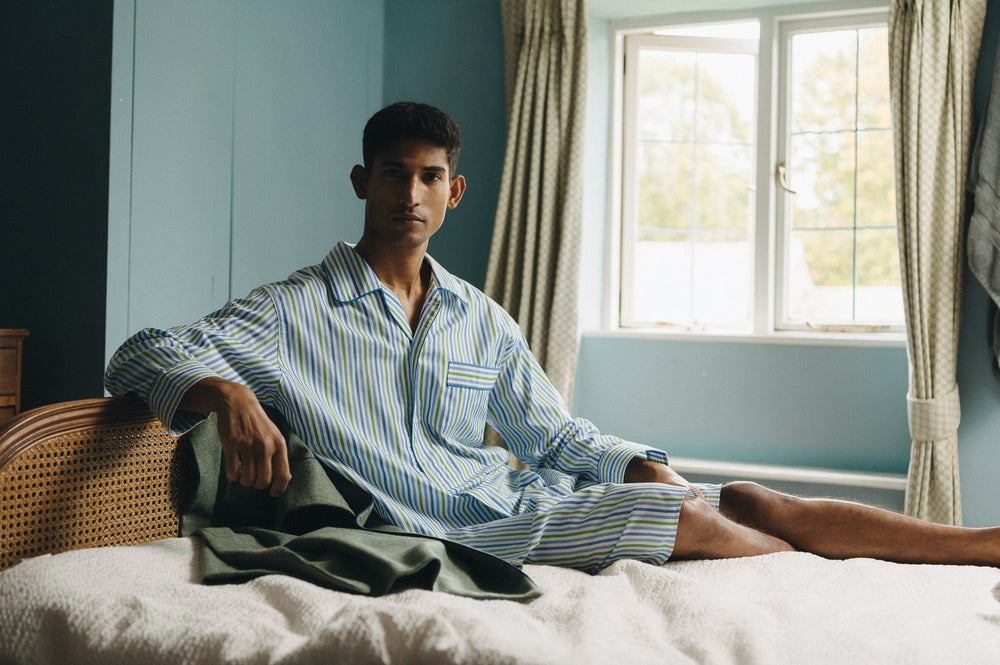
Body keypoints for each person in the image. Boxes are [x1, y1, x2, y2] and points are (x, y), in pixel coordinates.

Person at [105, 101, 1000, 572]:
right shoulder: (296, 308)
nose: (407, 196)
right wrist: (225, 393)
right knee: (698, 516)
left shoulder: (479, 315)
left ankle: (977, 546)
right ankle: (849, 576)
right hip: (455, 531)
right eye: (391, 175)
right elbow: (139, 350)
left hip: (527, 495)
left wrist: (631, 458)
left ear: (454, 193)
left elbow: (554, 433)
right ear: (361, 181)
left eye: (428, 178)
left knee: (747, 496)